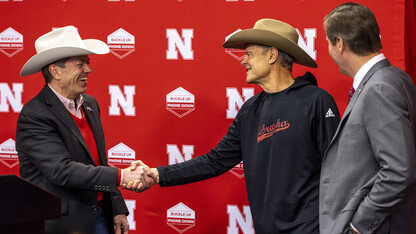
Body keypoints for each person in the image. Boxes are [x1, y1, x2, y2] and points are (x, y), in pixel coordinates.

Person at [125, 19, 340, 233]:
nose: (243, 61)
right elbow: (215, 161)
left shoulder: (317, 101)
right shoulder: (250, 110)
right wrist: (157, 174)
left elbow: (339, 170)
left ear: (272, 55)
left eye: (249, 54)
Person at [16, 26, 145, 234]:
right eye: (80, 64)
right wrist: (121, 176)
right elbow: (62, 171)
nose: (88, 70)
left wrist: (117, 207)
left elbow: (98, 161)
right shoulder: (34, 115)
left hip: (100, 215)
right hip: (62, 224)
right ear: (55, 71)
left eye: (88, 62)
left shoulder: (90, 104)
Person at [319, 3, 416, 234]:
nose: (329, 49)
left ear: (340, 44)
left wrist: (357, 227)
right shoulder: (394, 78)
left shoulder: (379, 88)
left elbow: (398, 171)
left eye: (328, 42)